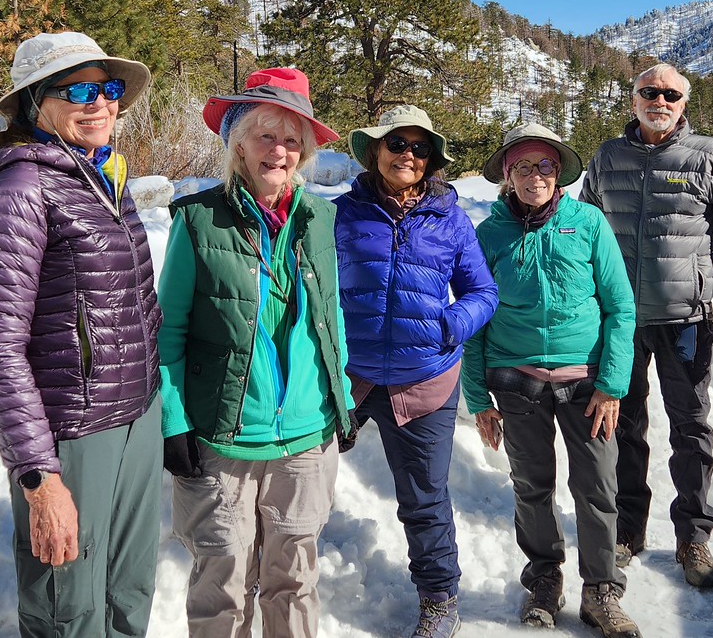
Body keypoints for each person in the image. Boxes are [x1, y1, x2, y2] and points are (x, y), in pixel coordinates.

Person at [0, 31, 165, 638]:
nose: (99, 103)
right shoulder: (21, 189)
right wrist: (39, 477)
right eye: (77, 91)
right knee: (68, 607)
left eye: (108, 88)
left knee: (129, 590)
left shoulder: (103, 177)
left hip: (136, 417)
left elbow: (135, 308)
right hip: (72, 433)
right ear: (36, 103)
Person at [158, 68, 355, 638]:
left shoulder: (320, 218)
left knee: (294, 581)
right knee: (221, 585)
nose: (279, 150)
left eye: (292, 139)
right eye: (266, 135)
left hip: (307, 437)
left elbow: (330, 317)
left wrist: (340, 399)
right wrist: (173, 421)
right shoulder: (198, 220)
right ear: (238, 144)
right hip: (224, 436)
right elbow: (168, 332)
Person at [579, 63, 713, 589]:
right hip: (617, 321)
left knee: (690, 427)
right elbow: (582, 235)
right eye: (649, 92)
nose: (660, 101)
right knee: (622, 424)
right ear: (633, 100)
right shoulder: (607, 158)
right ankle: (628, 527)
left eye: (671, 94)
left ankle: (693, 535)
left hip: (685, 318)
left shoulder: (710, 157)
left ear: (684, 103)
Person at [464, 123, 641, 638]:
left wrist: (612, 384)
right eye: (522, 166)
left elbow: (621, 307)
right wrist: (478, 398)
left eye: (544, 165)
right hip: (514, 379)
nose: (535, 175)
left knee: (597, 485)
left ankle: (601, 590)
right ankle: (544, 579)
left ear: (558, 172)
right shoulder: (489, 234)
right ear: (507, 175)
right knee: (531, 485)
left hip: (587, 382)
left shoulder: (587, 222)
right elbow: (475, 318)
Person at [334, 105, 498, 638]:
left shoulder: (451, 220)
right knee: (301, 482)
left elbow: (483, 292)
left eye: (420, 148)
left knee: (424, 498)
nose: (408, 155)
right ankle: (283, 577)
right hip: (349, 378)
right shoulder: (340, 215)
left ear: (432, 159)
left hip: (425, 379)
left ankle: (439, 598)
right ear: (374, 150)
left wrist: (450, 325)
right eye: (397, 144)